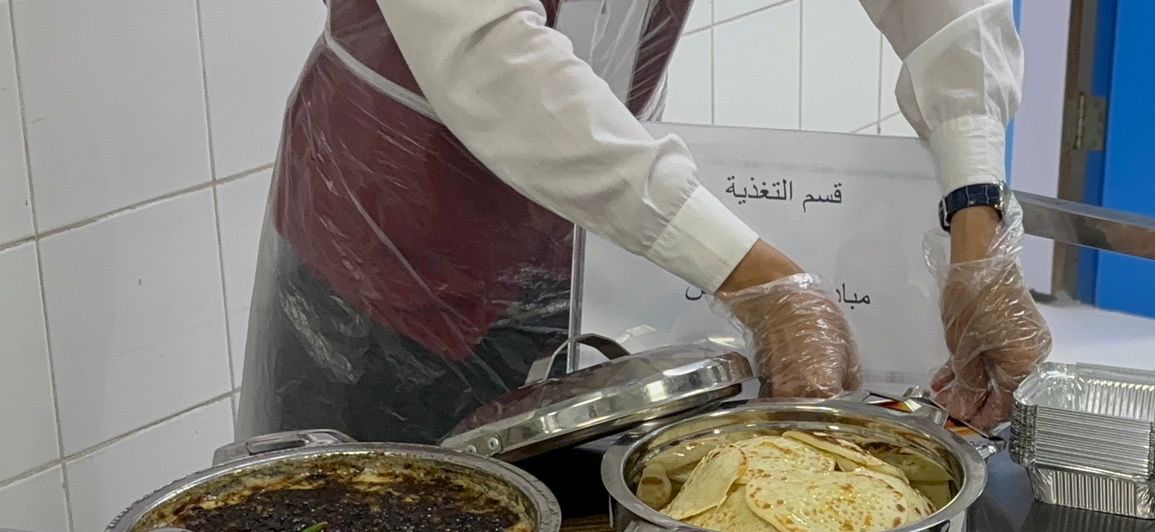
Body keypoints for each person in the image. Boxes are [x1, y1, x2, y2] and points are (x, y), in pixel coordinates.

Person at [237, 0, 1051, 443]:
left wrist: (975, 220)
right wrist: (758, 278)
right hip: (388, 249)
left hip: (601, 225)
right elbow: (488, 52)